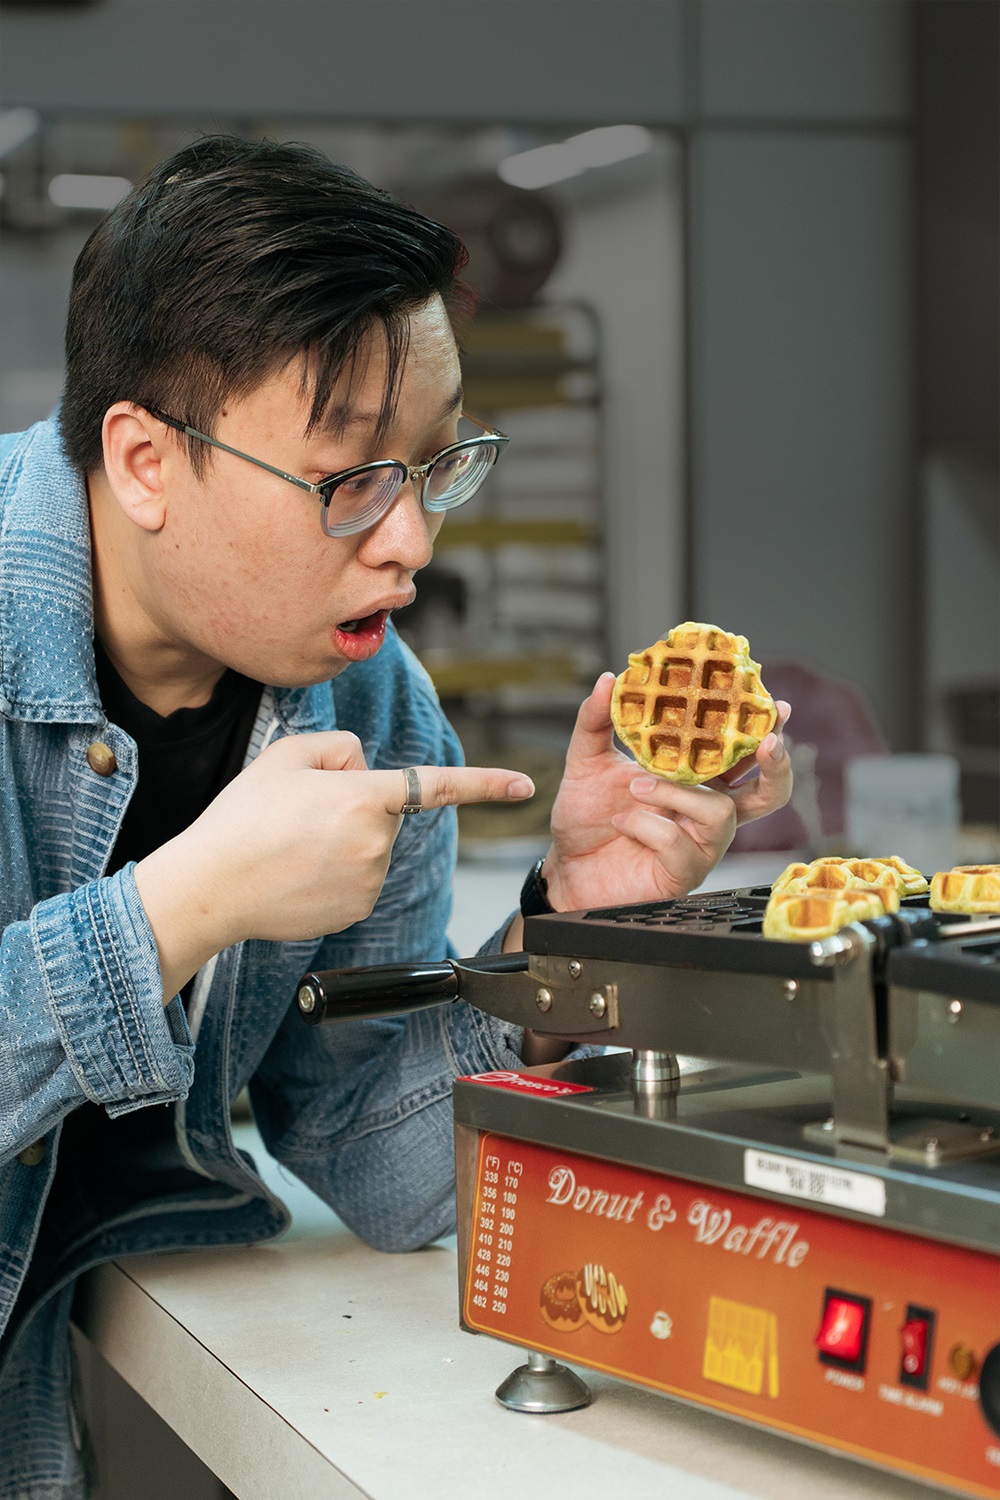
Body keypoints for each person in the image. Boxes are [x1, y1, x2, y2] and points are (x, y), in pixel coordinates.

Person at [0, 134, 791, 1498]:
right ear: (142, 459)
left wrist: (578, 932)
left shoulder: (369, 707)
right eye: (352, 478)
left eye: (437, 466)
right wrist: (188, 905)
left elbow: (385, 1163)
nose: (415, 542)